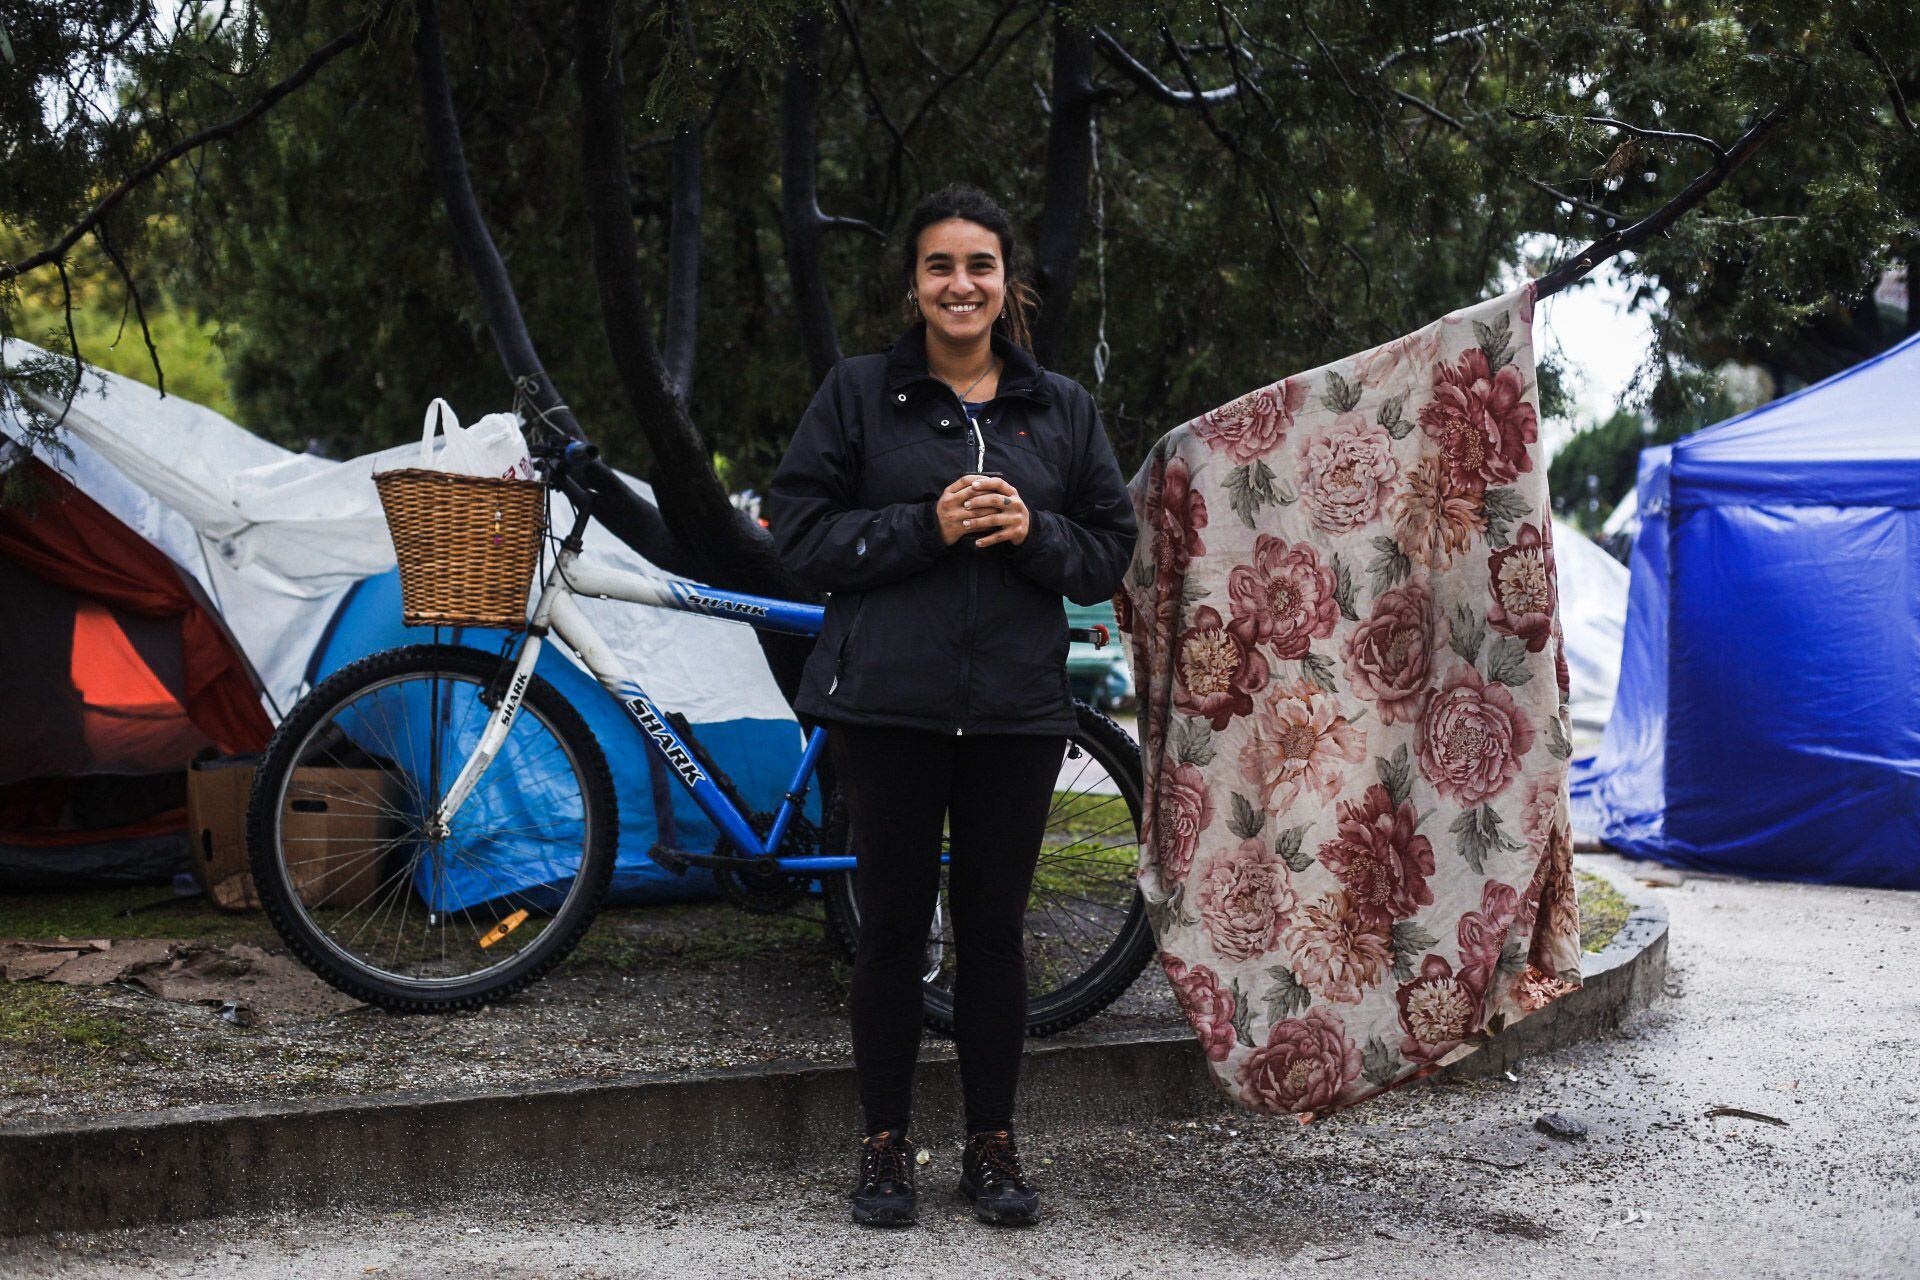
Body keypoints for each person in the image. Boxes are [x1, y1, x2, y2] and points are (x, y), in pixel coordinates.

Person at [768, 185, 1138, 1228]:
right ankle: (885, 1144)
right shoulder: (857, 393)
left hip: (1017, 711)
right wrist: (923, 525)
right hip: (889, 705)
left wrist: (1035, 533)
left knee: (993, 929)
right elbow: (799, 532)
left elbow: (1109, 548)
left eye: (980, 265)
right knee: (889, 928)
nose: (960, 284)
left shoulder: (1059, 408)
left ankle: (992, 1144)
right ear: (915, 285)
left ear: (1005, 284)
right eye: (940, 265)